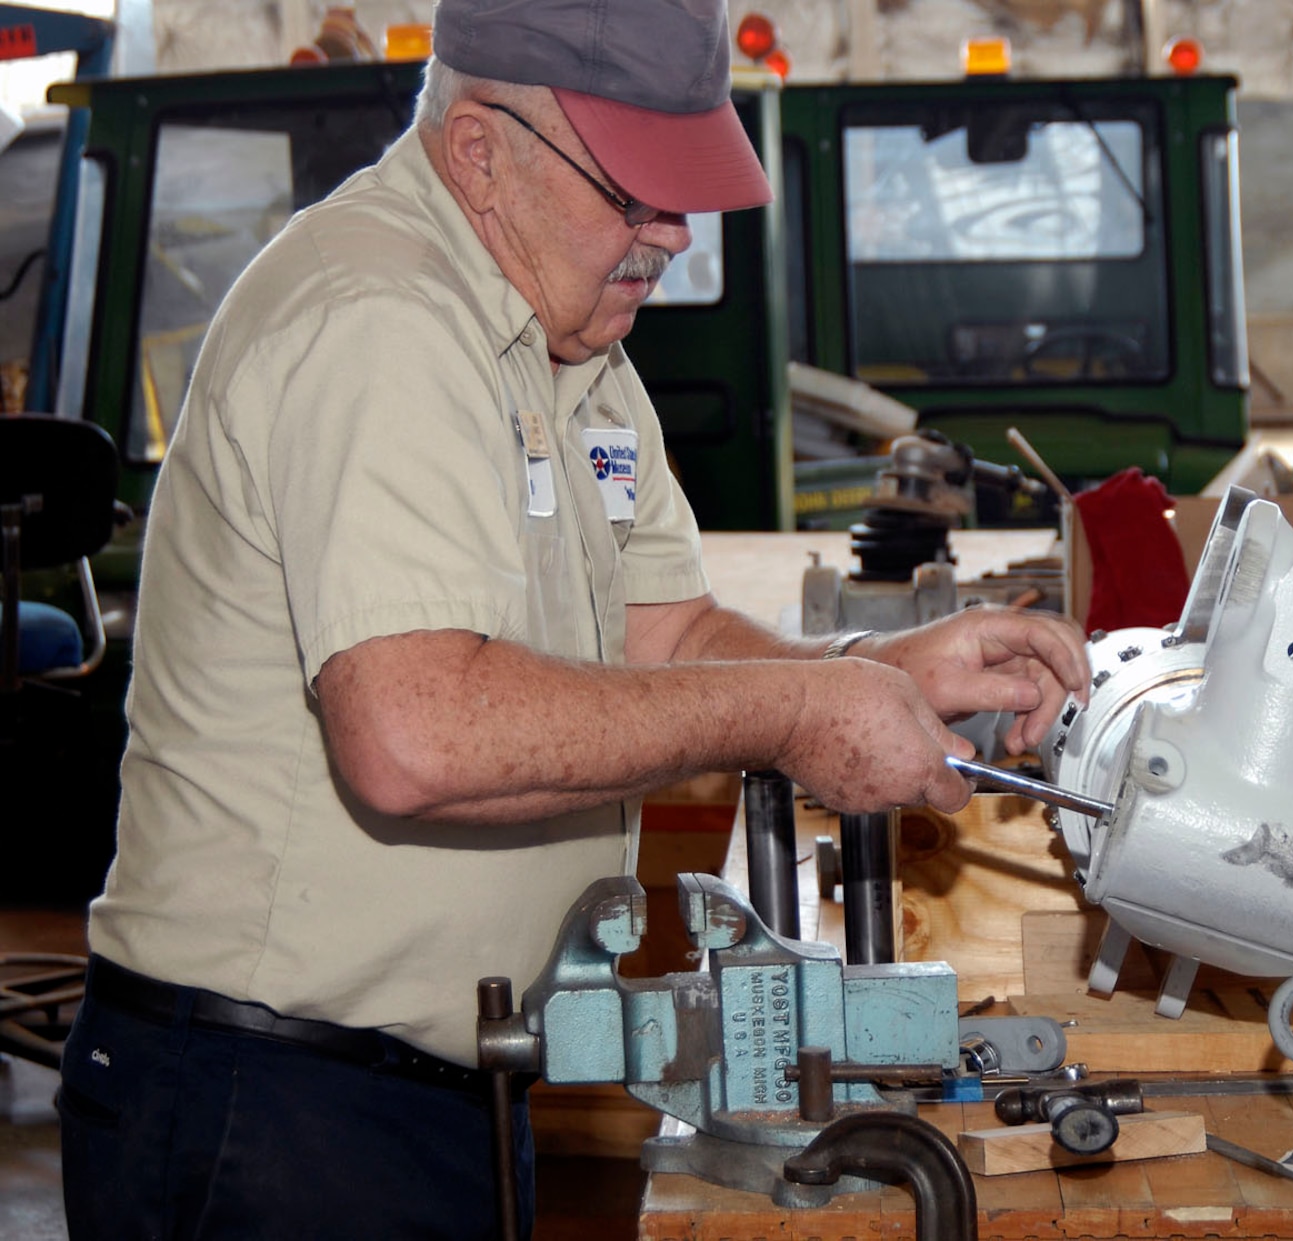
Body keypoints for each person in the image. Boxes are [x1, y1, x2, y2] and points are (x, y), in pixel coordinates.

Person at [55, 0, 1090, 1236]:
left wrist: (877, 667)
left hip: (435, 1085)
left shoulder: (570, 350)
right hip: (266, 1099)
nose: (669, 235)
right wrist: (805, 707)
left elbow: (665, 641)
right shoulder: (375, 318)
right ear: (480, 148)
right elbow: (416, 734)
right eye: (634, 193)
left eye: (683, 196)